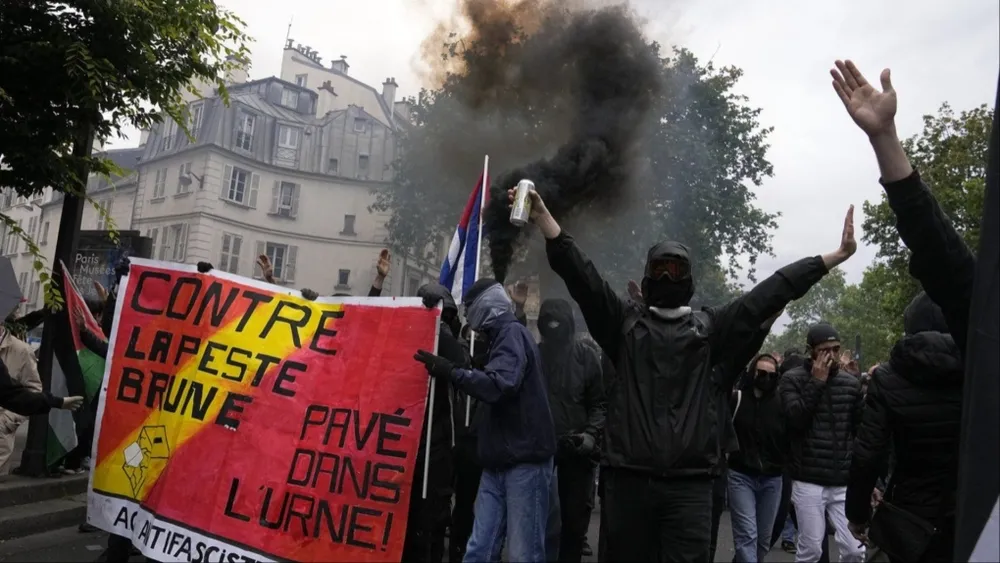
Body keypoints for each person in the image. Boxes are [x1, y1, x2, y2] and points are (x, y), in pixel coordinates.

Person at [513, 185, 857, 562]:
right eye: (660, 269)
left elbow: (773, 290)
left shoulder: (710, 329)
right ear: (648, 276)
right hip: (628, 483)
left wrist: (832, 258)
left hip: (689, 488)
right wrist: (543, 219)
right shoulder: (623, 326)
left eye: (674, 269)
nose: (666, 276)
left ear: (687, 279)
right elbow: (583, 277)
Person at [413, 278, 556, 562]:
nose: (467, 315)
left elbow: (500, 384)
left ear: (485, 306)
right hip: (499, 457)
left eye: (470, 308)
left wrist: (451, 372)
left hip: (523, 460)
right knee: (479, 549)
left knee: (522, 553)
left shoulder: (510, 334)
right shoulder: (501, 336)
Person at [845, 293, 963, 561]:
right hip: (967, 511)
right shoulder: (980, 368)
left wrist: (858, 514)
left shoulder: (889, 377)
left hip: (908, 514)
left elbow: (867, 455)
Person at [780, 323, 866, 563]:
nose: (831, 355)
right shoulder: (792, 379)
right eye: (824, 350)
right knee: (812, 550)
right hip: (808, 477)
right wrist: (817, 382)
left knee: (855, 550)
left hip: (842, 479)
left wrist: (870, 480)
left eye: (836, 349)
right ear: (811, 351)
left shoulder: (850, 384)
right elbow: (795, 420)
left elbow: (861, 432)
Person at [399, 283, 469, 563]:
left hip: (436, 445)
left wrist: (441, 326)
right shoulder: (403, 335)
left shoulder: (450, 344)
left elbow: (462, 364)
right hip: (403, 442)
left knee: (433, 521)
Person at [536, 298, 605, 563]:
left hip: (577, 451)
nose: (553, 327)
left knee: (574, 524)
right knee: (539, 522)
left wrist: (591, 435)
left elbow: (599, 403)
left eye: (558, 322)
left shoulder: (586, 356)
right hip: (541, 451)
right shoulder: (535, 355)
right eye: (548, 321)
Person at [727, 353, 787, 562]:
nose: (766, 379)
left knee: (763, 540)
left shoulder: (781, 404)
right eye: (761, 373)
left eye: (772, 375)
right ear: (753, 373)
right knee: (747, 535)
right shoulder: (737, 399)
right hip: (741, 475)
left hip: (772, 479)